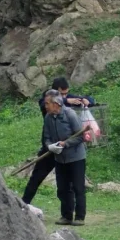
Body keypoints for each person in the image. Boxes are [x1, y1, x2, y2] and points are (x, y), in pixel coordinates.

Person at [21, 76, 91, 212]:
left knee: (67, 185)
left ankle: (70, 214)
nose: (64, 96)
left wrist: (86, 100)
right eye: (61, 93)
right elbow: (43, 103)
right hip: (49, 149)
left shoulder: (67, 109)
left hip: (67, 150)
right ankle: (23, 204)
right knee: (36, 177)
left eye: (66, 93)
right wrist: (66, 100)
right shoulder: (46, 102)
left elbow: (88, 100)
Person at [40, 89, 88, 226]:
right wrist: (50, 146)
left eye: (47, 103)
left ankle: (79, 217)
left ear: (56, 103)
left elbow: (81, 136)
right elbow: (47, 137)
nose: (46, 106)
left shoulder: (70, 114)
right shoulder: (48, 118)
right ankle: (66, 216)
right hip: (60, 159)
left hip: (76, 158)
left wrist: (65, 144)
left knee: (78, 187)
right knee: (62, 188)